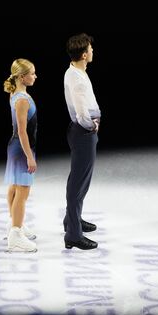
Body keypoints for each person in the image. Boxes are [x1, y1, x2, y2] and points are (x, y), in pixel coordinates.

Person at [63, 33, 100, 250]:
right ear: (84, 54)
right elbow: (81, 112)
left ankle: (72, 221)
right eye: (91, 50)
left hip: (82, 133)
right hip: (83, 133)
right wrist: (92, 125)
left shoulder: (76, 72)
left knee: (80, 182)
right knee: (78, 184)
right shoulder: (76, 77)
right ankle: (73, 235)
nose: (93, 52)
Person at [3, 58, 38, 252]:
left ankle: (14, 224)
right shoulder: (23, 99)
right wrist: (30, 157)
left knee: (14, 188)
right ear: (22, 77)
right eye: (32, 73)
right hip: (22, 148)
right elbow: (23, 131)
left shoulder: (15, 94)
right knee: (23, 191)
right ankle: (16, 234)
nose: (35, 76)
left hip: (16, 147)